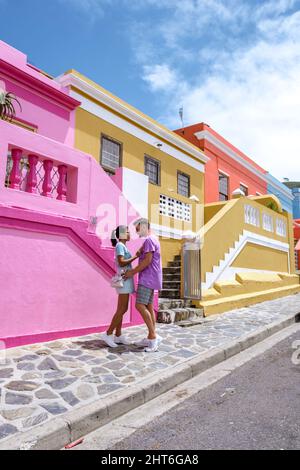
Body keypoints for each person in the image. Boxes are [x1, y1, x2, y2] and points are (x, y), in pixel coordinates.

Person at [124, 218, 162, 352]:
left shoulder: (149, 240)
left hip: (148, 278)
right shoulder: (153, 239)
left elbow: (147, 261)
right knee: (149, 306)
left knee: (139, 305)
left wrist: (132, 272)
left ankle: (153, 337)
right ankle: (152, 336)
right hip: (153, 278)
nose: (136, 231)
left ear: (144, 226)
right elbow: (147, 255)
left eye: (138, 228)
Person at [102, 225, 140, 348]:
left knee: (122, 309)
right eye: (128, 232)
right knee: (122, 309)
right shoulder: (120, 246)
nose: (130, 233)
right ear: (122, 234)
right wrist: (136, 256)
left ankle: (118, 335)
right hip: (124, 281)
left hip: (126, 280)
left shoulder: (122, 246)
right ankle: (108, 333)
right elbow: (121, 261)